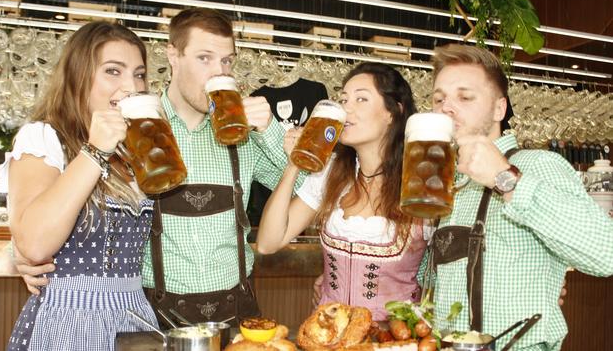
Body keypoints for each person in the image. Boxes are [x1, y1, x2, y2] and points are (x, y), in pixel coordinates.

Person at [16, 8, 289, 326]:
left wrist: (271, 130)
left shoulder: (241, 134)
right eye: (205, 58)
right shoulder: (140, 130)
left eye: (227, 61)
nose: (219, 72)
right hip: (149, 318)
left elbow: (307, 194)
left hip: (232, 312)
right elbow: (56, 220)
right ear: (173, 55)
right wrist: (23, 250)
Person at [421, 43, 613, 350]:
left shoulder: (538, 165)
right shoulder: (449, 182)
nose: (446, 107)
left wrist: (506, 180)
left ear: (500, 108)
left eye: (465, 96)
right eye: (439, 98)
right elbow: (437, 280)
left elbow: (605, 252)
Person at [6, 21, 157, 351]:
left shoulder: (136, 150)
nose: (131, 86)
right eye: (113, 71)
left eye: (139, 74)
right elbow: (33, 243)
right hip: (69, 321)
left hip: (136, 321)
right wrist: (95, 149)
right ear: (78, 76)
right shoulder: (45, 138)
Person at [257, 62, 428, 321]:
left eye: (361, 99)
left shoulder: (421, 182)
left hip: (392, 341)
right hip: (327, 335)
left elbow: (438, 266)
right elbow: (268, 242)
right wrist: (295, 164)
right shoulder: (332, 172)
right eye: (344, 99)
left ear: (394, 112)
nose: (346, 108)